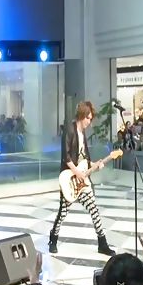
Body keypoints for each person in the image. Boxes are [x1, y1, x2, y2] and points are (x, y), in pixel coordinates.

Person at [49, 101, 115, 256]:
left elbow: (84, 158)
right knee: (63, 212)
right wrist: (77, 172)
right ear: (81, 116)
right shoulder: (70, 130)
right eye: (88, 118)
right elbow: (66, 157)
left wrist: (95, 164)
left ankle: (102, 244)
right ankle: (53, 239)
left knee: (94, 210)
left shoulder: (82, 133)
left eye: (90, 119)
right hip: (69, 179)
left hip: (83, 182)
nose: (89, 122)